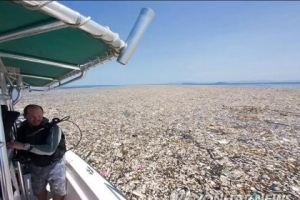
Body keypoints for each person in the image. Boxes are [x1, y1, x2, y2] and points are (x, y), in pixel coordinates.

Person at [7, 104, 66, 200]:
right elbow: (20, 142)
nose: (36, 119)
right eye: (32, 117)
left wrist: (24, 146)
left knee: (58, 190)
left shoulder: (54, 128)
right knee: (38, 190)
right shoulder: (23, 129)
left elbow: (50, 150)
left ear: (43, 114)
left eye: (39, 116)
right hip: (36, 164)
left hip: (55, 164)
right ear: (25, 116)